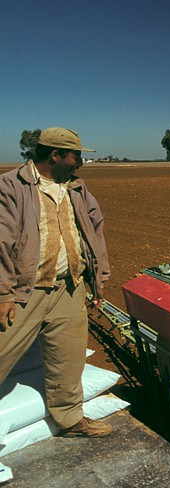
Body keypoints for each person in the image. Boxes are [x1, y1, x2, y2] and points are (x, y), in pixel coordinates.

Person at [0, 127, 112, 438]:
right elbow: (1, 241)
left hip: (68, 287)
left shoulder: (75, 188)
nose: (80, 162)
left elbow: (94, 233)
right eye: (76, 155)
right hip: (24, 290)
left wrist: (97, 278)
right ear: (56, 155)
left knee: (69, 357)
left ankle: (70, 419)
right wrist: (2, 293)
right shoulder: (11, 186)